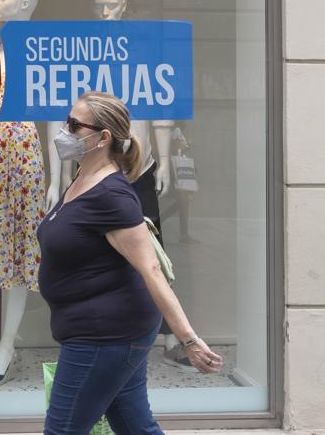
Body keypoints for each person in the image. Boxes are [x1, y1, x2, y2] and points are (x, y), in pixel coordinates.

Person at [39, 92, 222, 435]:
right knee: (136, 428)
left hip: (105, 334)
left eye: (74, 126)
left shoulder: (112, 194)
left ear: (103, 137)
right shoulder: (82, 178)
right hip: (108, 330)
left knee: (62, 430)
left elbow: (151, 269)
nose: (65, 132)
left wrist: (188, 339)